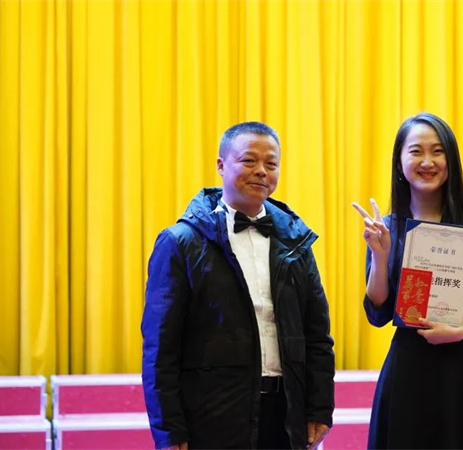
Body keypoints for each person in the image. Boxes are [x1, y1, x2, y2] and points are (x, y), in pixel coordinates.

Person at [142, 121, 335, 450]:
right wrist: (169, 430)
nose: (261, 171)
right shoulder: (181, 243)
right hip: (212, 416)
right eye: (249, 160)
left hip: (286, 414)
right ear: (221, 165)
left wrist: (319, 407)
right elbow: (161, 347)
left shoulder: (296, 242)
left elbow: (317, 335)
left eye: (271, 163)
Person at [351, 112, 463, 449]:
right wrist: (380, 255)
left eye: (437, 151)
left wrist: (460, 331)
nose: (427, 162)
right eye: (416, 151)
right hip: (409, 370)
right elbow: (378, 314)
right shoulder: (386, 227)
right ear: (399, 161)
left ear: (451, 159)